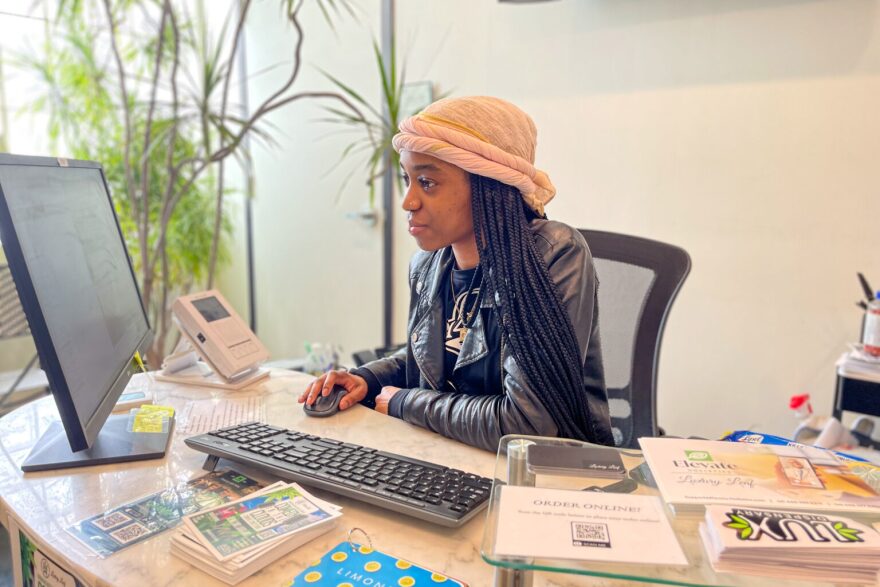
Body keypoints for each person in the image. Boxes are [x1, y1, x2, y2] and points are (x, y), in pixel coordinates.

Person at [299, 96, 614, 451]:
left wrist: (404, 402)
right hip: (451, 456)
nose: (408, 202)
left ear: (487, 186)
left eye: (427, 183)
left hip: (542, 480)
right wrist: (368, 379)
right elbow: (436, 356)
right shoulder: (428, 265)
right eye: (407, 179)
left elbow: (527, 425)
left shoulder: (554, 255)